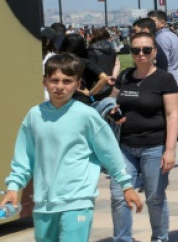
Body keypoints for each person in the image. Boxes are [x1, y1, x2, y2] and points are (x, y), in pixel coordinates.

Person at [2, 54, 143, 242]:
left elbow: (110, 153)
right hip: (44, 204)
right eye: (54, 80)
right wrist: (13, 188)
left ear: (78, 85)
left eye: (67, 81)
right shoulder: (34, 116)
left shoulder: (87, 116)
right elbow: (24, 157)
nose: (60, 86)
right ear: (44, 82)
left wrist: (126, 186)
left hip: (78, 200)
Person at [108, 31, 178, 242]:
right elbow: (112, 103)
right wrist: (112, 112)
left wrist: (169, 150)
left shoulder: (164, 79)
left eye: (146, 49)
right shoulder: (126, 76)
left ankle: (159, 238)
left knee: (154, 198)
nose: (141, 54)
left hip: (154, 147)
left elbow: (172, 115)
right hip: (124, 147)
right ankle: (122, 239)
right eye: (136, 50)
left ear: (154, 52)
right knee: (119, 196)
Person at [149, 10, 178, 97]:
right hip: (176, 80)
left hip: (166, 84)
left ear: (162, 23)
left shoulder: (161, 38)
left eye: (152, 22)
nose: (149, 24)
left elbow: (162, 63)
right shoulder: (172, 35)